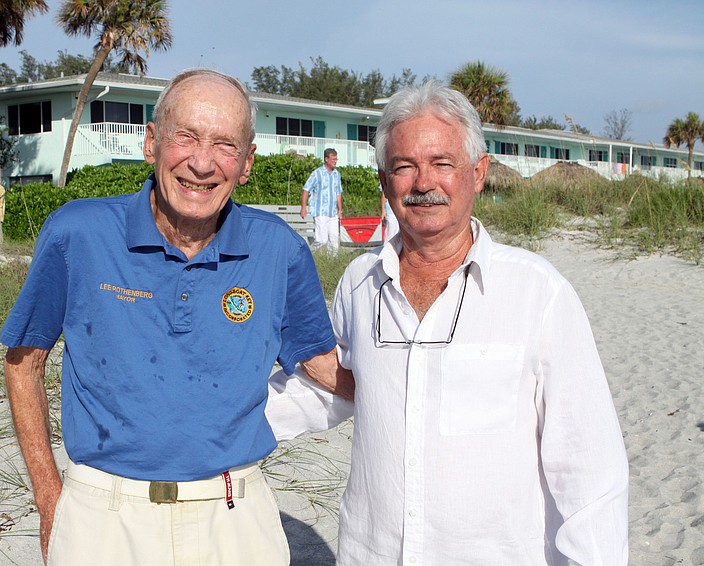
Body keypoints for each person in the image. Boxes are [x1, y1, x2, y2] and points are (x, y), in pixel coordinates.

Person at [268, 81, 629, 565]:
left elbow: (588, 467)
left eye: (442, 163)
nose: (423, 183)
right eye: (404, 167)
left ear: (477, 172)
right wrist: (212, 419)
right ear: (383, 180)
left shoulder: (537, 294)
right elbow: (332, 390)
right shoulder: (359, 282)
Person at [0, 68, 345, 566]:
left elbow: (320, 365)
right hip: (102, 516)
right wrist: (51, 499)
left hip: (236, 518)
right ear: (152, 143)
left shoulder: (280, 249)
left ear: (246, 163)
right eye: (186, 136)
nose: (202, 163)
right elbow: (23, 364)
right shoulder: (78, 232)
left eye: (225, 145)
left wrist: (414, 371)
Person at [300, 148, 342, 252]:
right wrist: (303, 208)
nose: (335, 161)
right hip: (320, 212)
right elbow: (306, 190)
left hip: (333, 213)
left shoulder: (337, 174)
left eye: (336, 159)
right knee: (321, 240)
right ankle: (312, 256)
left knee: (334, 242)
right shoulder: (317, 173)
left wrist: (340, 210)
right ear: (326, 159)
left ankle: (331, 263)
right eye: (333, 159)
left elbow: (338, 192)